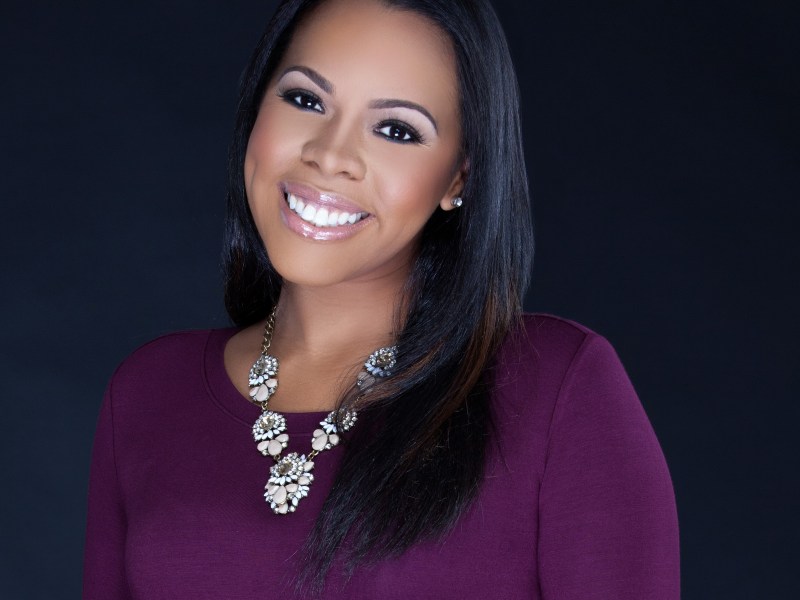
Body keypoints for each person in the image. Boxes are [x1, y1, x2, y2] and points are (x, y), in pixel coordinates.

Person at [83, 0, 680, 597]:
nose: (330, 155)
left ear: (459, 177)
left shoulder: (557, 390)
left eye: (396, 130)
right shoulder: (147, 393)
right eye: (305, 99)